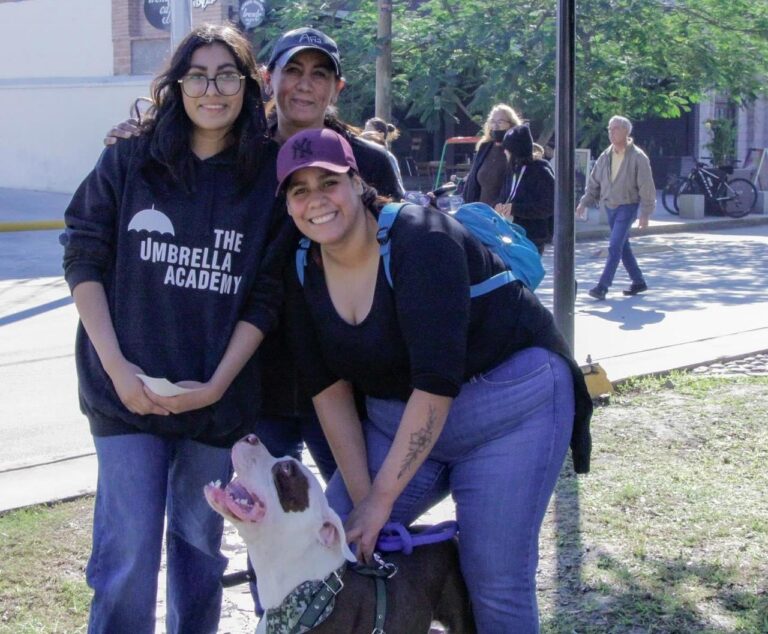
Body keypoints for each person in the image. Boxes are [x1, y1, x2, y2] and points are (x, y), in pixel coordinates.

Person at [278, 128, 593, 633]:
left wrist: (383, 501)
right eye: (299, 190)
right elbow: (328, 388)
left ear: (357, 182)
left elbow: (435, 382)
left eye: (329, 182)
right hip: (397, 418)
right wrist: (364, 503)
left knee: (495, 579)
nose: (316, 200)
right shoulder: (298, 264)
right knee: (330, 545)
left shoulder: (422, 239)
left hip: (509, 411)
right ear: (288, 205)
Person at [104, 27, 403, 484]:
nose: (305, 84)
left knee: (357, 509)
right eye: (293, 71)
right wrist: (140, 133)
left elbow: (394, 262)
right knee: (266, 518)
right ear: (266, 78)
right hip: (259, 377)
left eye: (320, 74)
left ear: (337, 87)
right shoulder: (240, 149)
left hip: (346, 373)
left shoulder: (369, 162)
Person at [61, 25, 285, 634]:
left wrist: (215, 386)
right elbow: (82, 253)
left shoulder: (266, 176)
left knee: (198, 551)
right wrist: (117, 369)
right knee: (128, 555)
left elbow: (267, 296)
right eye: (198, 75)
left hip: (215, 405)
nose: (212, 89)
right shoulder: (132, 157)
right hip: (124, 395)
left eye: (227, 75)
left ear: (248, 85)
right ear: (177, 83)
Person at [576, 115, 656, 300]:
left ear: (626, 131)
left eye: (615, 128)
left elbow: (647, 186)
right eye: (609, 129)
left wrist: (645, 213)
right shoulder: (606, 155)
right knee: (622, 245)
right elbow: (594, 182)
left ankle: (602, 287)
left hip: (628, 206)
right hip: (609, 206)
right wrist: (584, 202)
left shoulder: (638, 156)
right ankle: (638, 281)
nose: (611, 132)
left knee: (614, 246)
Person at [495, 124, 555, 254]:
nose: (505, 152)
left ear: (516, 151)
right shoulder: (512, 169)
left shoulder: (541, 171)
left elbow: (549, 206)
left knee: (525, 274)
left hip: (532, 236)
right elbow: (505, 194)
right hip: (511, 232)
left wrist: (515, 208)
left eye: (508, 149)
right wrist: (500, 204)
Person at [462, 103, 523, 205]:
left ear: (511, 125)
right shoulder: (484, 148)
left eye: (500, 122)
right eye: (492, 122)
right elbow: (472, 182)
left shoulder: (518, 150)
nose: (495, 126)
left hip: (505, 216)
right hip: (481, 213)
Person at [360, 116, 405, 191]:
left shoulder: (387, 156)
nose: (364, 133)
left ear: (381, 134)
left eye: (368, 130)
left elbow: (398, 185)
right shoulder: (366, 155)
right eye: (364, 129)